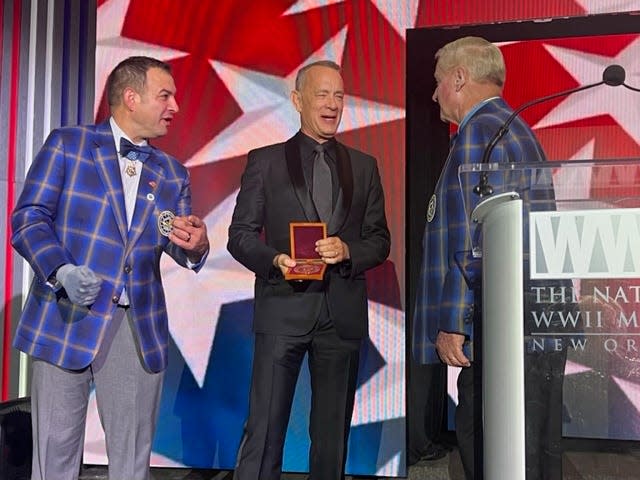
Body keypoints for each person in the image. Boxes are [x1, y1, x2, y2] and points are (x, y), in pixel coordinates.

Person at [11, 56, 209, 480]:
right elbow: (29, 218)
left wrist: (196, 245)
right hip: (66, 315)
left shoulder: (172, 172)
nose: (175, 106)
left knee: (132, 462)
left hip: (136, 326)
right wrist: (60, 269)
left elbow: (179, 242)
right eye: (165, 96)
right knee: (54, 453)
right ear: (131, 97)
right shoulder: (68, 144)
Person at [227, 59, 390, 480]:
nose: (332, 104)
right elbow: (240, 235)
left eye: (339, 95)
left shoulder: (365, 166)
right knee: (263, 432)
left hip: (341, 316)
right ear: (298, 100)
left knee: (332, 437)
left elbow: (380, 241)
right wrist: (275, 261)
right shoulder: (264, 162)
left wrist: (348, 250)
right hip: (282, 309)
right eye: (322, 94)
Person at [412, 37, 563, 479]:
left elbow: (471, 236)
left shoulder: (482, 130)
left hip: (492, 327)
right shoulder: (511, 126)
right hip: (517, 323)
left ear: (459, 78)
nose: (435, 93)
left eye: (439, 82)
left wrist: (454, 321)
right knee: (527, 448)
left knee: (487, 444)